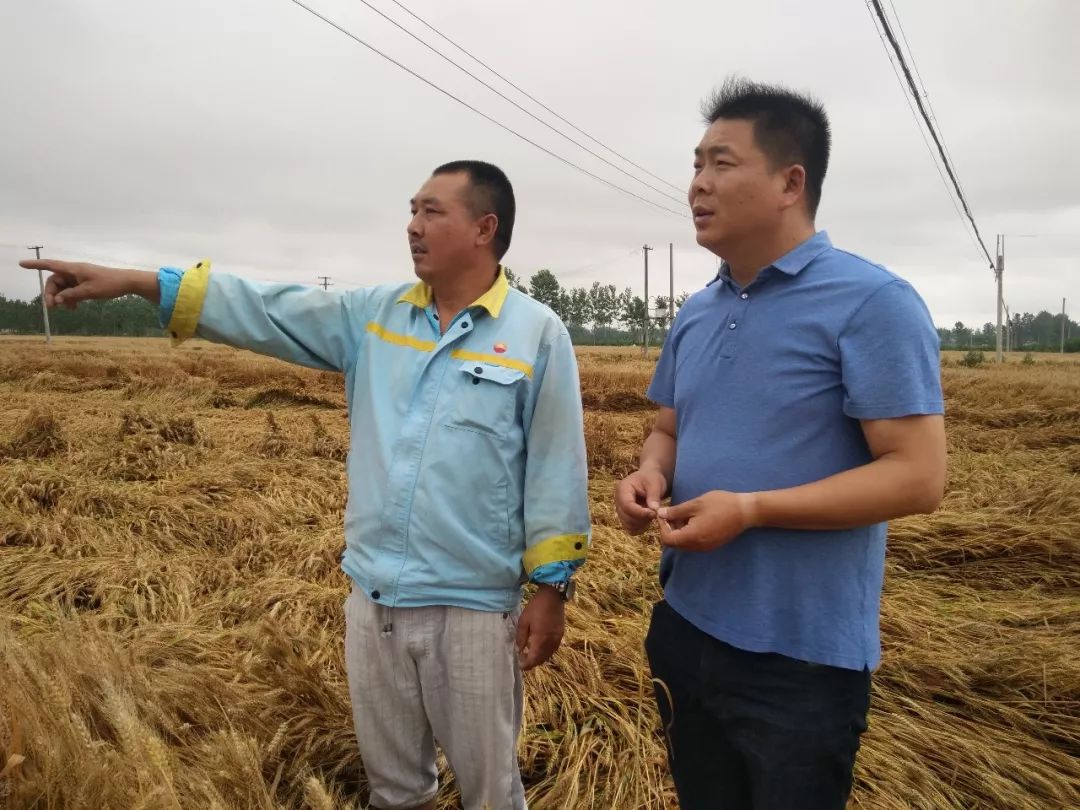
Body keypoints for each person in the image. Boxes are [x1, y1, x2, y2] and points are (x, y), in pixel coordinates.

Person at [23, 160, 590, 810]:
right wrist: (138, 282)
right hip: (373, 599)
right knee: (397, 791)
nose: (412, 226)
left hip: (471, 608)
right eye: (412, 210)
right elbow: (263, 308)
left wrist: (551, 589)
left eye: (432, 211)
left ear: (484, 227)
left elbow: (555, 467)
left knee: (491, 794)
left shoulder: (535, 333)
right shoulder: (373, 317)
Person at [614, 78, 946, 810]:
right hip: (685, 626)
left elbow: (919, 478)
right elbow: (668, 428)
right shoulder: (699, 310)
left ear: (791, 181)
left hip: (798, 660)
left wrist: (753, 508)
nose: (697, 183)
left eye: (722, 163)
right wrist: (647, 475)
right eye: (695, 163)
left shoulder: (872, 302)